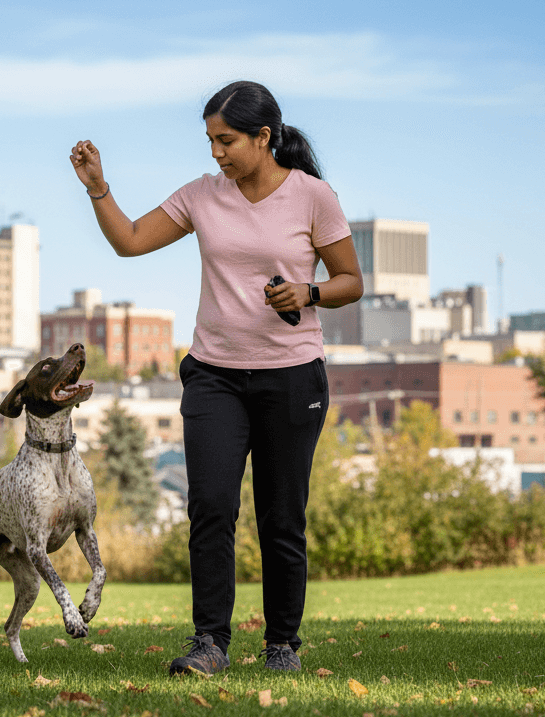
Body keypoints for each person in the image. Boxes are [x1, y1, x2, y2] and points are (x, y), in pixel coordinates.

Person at [69, 80, 363, 675]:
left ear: (263, 136)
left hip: (291, 377)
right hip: (214, 376)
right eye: (210, 140)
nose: (215, 152)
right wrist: (99, 188)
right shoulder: (202, 195)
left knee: (282, 517)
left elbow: (351, 282)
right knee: (209, 508)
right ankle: (210, 644)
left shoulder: (312, 196)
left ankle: (282, 647)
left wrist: (307, 293)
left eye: (226, 140)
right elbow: (130, 241)